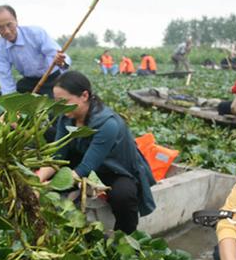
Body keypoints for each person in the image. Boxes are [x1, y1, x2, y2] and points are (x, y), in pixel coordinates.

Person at [36, 71, 156, 234]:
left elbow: (85, 168)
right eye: (57, 102)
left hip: (114, 169)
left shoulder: (108, 124)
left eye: (64, 101)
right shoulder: (66, 117)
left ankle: (124, 238)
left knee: (123, 196)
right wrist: (37, 180)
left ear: (84, 95)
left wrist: (47, 187)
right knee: (49, 180)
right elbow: (57, 156)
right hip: (82, 160)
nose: (60, 107)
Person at [0, 5, 70, 96]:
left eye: (9, 25)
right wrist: (10, 101)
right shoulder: (0, 47)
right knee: (1, 98)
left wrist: (61, 62)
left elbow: (57, 55)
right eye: (0, 27)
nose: (6, 31)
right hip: (30, 81)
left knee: (53, 103)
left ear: (16, 21)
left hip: (51, 78)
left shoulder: (36, 33)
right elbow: (4, 75)